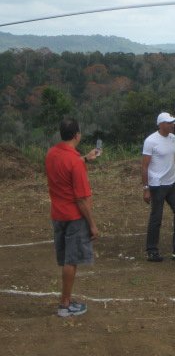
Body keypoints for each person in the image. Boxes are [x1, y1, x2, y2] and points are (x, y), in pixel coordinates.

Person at [45, 118, 100, 317]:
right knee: (72, 260)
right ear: (77, 135)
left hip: (58, 214)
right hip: (74, 217)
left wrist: (85, 158)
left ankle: (65, 302)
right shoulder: (75, 162)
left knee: (66, 259)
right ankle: (65, 304)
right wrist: (92, 224)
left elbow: (65, 167)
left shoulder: (52, 153)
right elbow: (81, 199)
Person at [142, 112, 175, 262]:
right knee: (156, 218)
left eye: (172, 122)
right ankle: (152, 251)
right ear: (160, 124)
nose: (172, 125)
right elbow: (144, 166)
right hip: (157, 185)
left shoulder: (173, 138)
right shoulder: (151, 141)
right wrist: (146, 188)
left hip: (172, 184)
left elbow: (170, 162)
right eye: (169, 123)